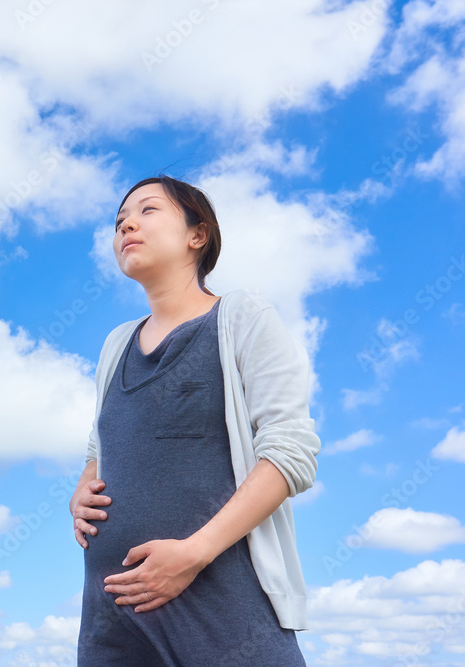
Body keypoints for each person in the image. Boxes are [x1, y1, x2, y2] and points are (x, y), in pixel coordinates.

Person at [71, 175, 320, 665]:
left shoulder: (241, 318)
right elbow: (100, 446)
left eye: (147, 211)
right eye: (120, 220)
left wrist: (194, 553)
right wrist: (84, 487)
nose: (127, 224)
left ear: (197, 235)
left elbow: (290, 452)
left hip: (223, 611)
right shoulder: (115, 344)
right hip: (113, 621)